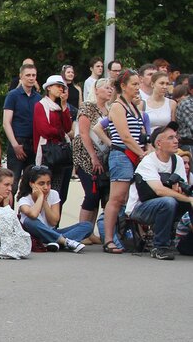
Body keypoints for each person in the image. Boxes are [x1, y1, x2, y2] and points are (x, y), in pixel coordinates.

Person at [125, 123, 193, 260]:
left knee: (177, 201)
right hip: (139, 208)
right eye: (170, 138)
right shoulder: (148, 162)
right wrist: (188, 199)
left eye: (176, 137)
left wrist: (186, 195)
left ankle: (187, 244)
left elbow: (181, 188)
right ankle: (160, 247)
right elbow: (159, 190)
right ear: (159, 144)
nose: (176, 141)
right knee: (168, 201)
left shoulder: (177, 160)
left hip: (165, 204)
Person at [103, 69, 148, 254]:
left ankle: (129, 236)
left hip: (134, 155)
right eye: (134, 84)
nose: (138, 87)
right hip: (122, 155)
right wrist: (143, 154)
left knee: (131, 198)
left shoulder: (133, 106)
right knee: (117, 198)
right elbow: (125, 136)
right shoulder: (118, 106)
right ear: (123, 86)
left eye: (138, 84)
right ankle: (108, 239)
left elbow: (140, 134)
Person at [16, 165, 91, 252]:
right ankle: (64, 242)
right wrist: (40, 197)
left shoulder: (54, 194)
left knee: (87, 226)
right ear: (32, 184)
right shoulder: (24, 199)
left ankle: (54, 242)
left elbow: (54, 222)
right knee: (29, 221)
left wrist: (44, 201)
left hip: (51, 232)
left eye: (48, 183)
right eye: (41, 183)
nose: (46, 187)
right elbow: (33, 215)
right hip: (35, 234)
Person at [73, 77, 113, 241]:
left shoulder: (110, 110)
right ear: (96, 90)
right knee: (91, 193)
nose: (110, 90)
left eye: (111, 88)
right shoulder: (88, 106)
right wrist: (93, 156)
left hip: (103, 156)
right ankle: (81, 231)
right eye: (106, 87)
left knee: (99, 193)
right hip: (86, 155)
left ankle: (90, 232)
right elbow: (83, 133)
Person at [33, 75, 74, 209]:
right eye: (58, 86)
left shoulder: (60, 107)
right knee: (47, 188)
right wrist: (60, 131)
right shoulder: (41, 105)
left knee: (60, 192)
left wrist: (64, 106)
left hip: (61, 153)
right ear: (49, 88)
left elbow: (67, 127)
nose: (61, 89)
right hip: (48, 153)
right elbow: (45, 130)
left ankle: (56, 217)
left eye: (62, 87)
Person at [3, 63, 41, 187]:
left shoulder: (38, 98)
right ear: (21, 76)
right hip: (18, 141)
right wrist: (15, 145)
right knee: (12, 183)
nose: (31, 78)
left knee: (31, 183)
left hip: (33, 143)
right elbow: (6, 122)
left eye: (33, 75)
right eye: (28, 75)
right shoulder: (13, 95)